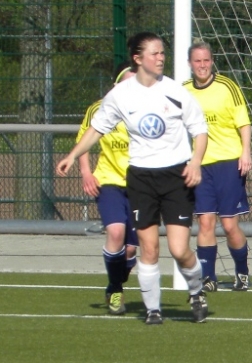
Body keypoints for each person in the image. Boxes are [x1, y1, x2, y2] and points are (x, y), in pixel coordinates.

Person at [56, 32, 210, 324]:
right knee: (148, 247)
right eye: (154, 54)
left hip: (176, 176)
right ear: (138, 59)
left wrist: (196, 162)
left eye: (163, 53)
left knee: (179, 250)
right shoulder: (120, 95)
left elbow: (199, 130)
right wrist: (73, 155)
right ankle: (153, 309)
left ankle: (196, 290)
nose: (161, 58)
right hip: (141, 178)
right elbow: (96, 129)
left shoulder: (176, 91)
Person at [182, 42, 252, 292]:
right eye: (197, 61)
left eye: (206, 60)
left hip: (228, 163)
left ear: (212, 62)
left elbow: (243, 123)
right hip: (200, 166)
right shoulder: (183, 91)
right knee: (204, 223)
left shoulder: (227, 87)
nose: (202, 65)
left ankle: (242, 271)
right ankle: (208, 277)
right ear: (190, 63)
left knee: (230, 224)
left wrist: (246, 152)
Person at [76, 64, 139, 315]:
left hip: (140, 185)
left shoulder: (148, 111)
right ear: (116, 86)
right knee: (115, 233)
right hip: (109, 182)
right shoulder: (99, 109)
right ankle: (115, 290)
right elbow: (84, 141)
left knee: (131, 249)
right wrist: (86, 173)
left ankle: (116, 281)